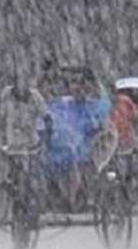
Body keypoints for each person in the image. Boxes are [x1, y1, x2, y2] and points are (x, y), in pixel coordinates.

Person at [41, 69, 111, 210]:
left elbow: (104, 112)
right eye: (74, 83)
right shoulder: (61, 104)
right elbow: (45, 114)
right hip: (62, 149)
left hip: (84, 150)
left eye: (81, 84)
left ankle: (72, 200)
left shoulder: (92, 106)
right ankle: (65, 198)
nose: (78, 88)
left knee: (75, 161)